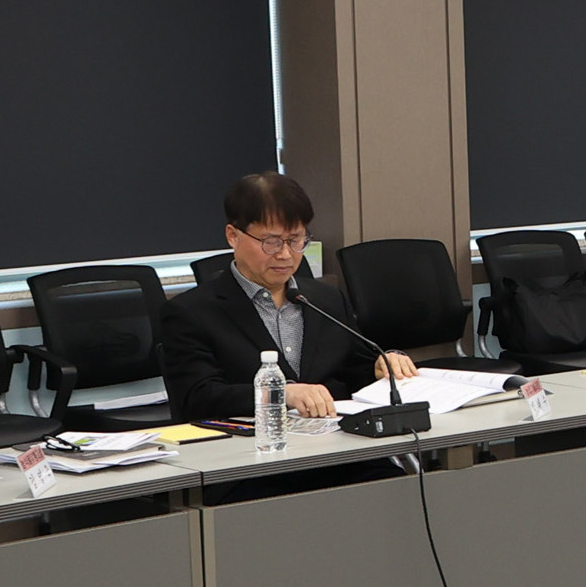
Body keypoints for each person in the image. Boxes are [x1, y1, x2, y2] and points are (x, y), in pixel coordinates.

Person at [160, 173, 414, 420]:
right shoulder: (191, 312)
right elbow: (197, 398)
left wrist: (381, 366)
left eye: (295, 240)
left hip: (334, 437)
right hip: (253, 442)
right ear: (233, 236)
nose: (285, 254)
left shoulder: (326, 300)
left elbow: (355, 370)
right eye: (271, 241)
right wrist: (281, 394)